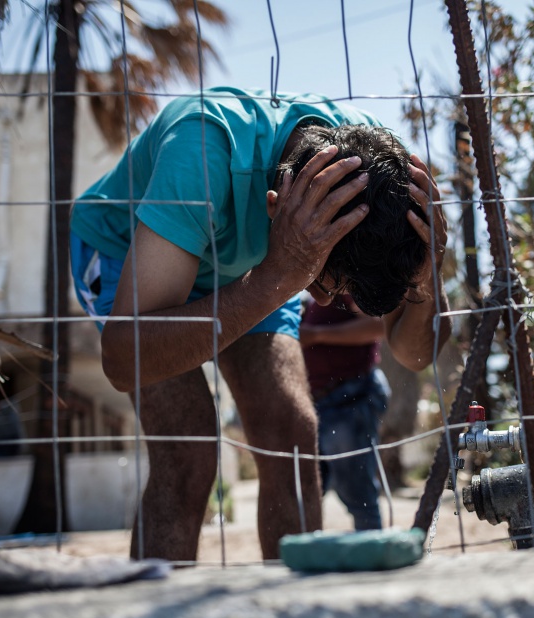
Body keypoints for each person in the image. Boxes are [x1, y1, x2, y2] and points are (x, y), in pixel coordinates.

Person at [69, 86, 450, 562]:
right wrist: (275, 276)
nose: (328, 301)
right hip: (128, 252)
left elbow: (414, 354)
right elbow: (125, 360)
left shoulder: (380, 180)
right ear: (277, 208)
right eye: (329, 284)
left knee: (290, 435)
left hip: (261, 259)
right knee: (186, 450)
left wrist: (426, 278)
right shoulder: (202, 150)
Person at [300, 294, 390, 531]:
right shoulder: (320, 291)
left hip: (348, 397)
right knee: (308, 492)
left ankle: (375, 558)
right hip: (322, 403)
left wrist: (316, 334)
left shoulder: (348, 283)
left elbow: (379, 325)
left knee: (357, 492)